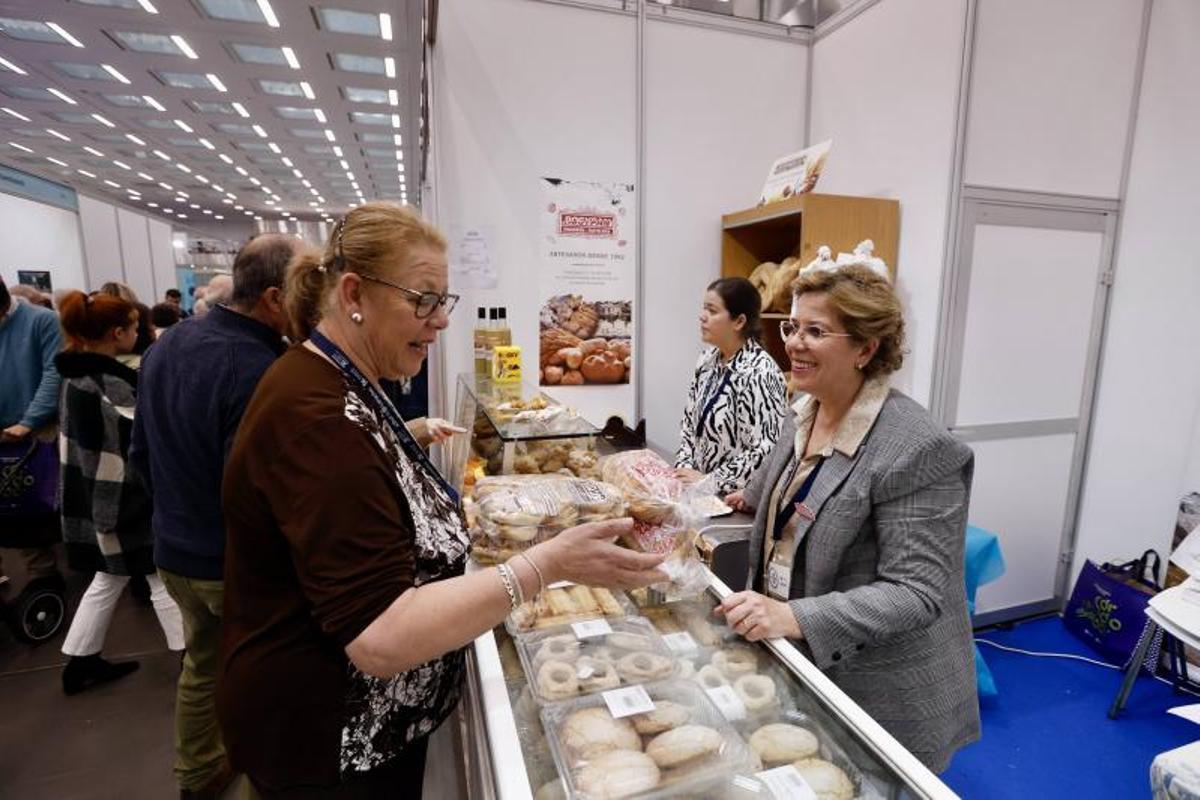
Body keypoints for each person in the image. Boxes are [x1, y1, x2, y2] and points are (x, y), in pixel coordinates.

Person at [218, 203, 667, 797]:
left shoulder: (338, 379)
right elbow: (380, 636)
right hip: (326, 736)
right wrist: (545, 564)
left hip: (353, 725)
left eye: (442, 300)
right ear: (353, 293)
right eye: (422, 300)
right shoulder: (319, 418)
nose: (441, 320)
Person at [719, 264, 979, 772]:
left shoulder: (916, 446)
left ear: (865, 348)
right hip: (805, 660)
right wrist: (741, 497)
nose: (794, 343)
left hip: (880, 687)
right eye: (792, 326)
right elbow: (784, 480)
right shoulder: (807, 408)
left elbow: (916, 593)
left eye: (816, 331)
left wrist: (793, 617)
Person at [131, 234, 297, 800]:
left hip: (174, 551)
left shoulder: (171, 341)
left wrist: (173, 516)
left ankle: (198, 773)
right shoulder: (257, 366)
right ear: (274, 298)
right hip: (230, 564)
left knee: (203, 663)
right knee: (266, 682)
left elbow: (140, 452)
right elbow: (252, 493)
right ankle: (258, 780)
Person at [53, 291, 184, 694]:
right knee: (157, 576)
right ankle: (192, 662)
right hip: (122, 499)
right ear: (117, 333)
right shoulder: (110, 384)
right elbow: (138, 446)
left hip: (91, 496)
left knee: (109, 578)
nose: (140, 333)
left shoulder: (74, 376)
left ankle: (81, 661)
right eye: (134, 327)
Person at [675, 277, 787, 495]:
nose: (702, 316)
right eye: (704, 308)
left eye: (712, 311)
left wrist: (710, 482)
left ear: (739, 321)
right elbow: (688, 424)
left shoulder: (761, 372)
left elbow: (765, 450)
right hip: (696, 493)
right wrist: (684, 471)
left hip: (734, 499)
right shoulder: (707, 360)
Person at [0, 276, 64, 585]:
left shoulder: (42, 321)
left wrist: (29, 421)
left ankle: (44, 578)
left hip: (32, 431)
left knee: (27, 506)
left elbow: (54, 373)